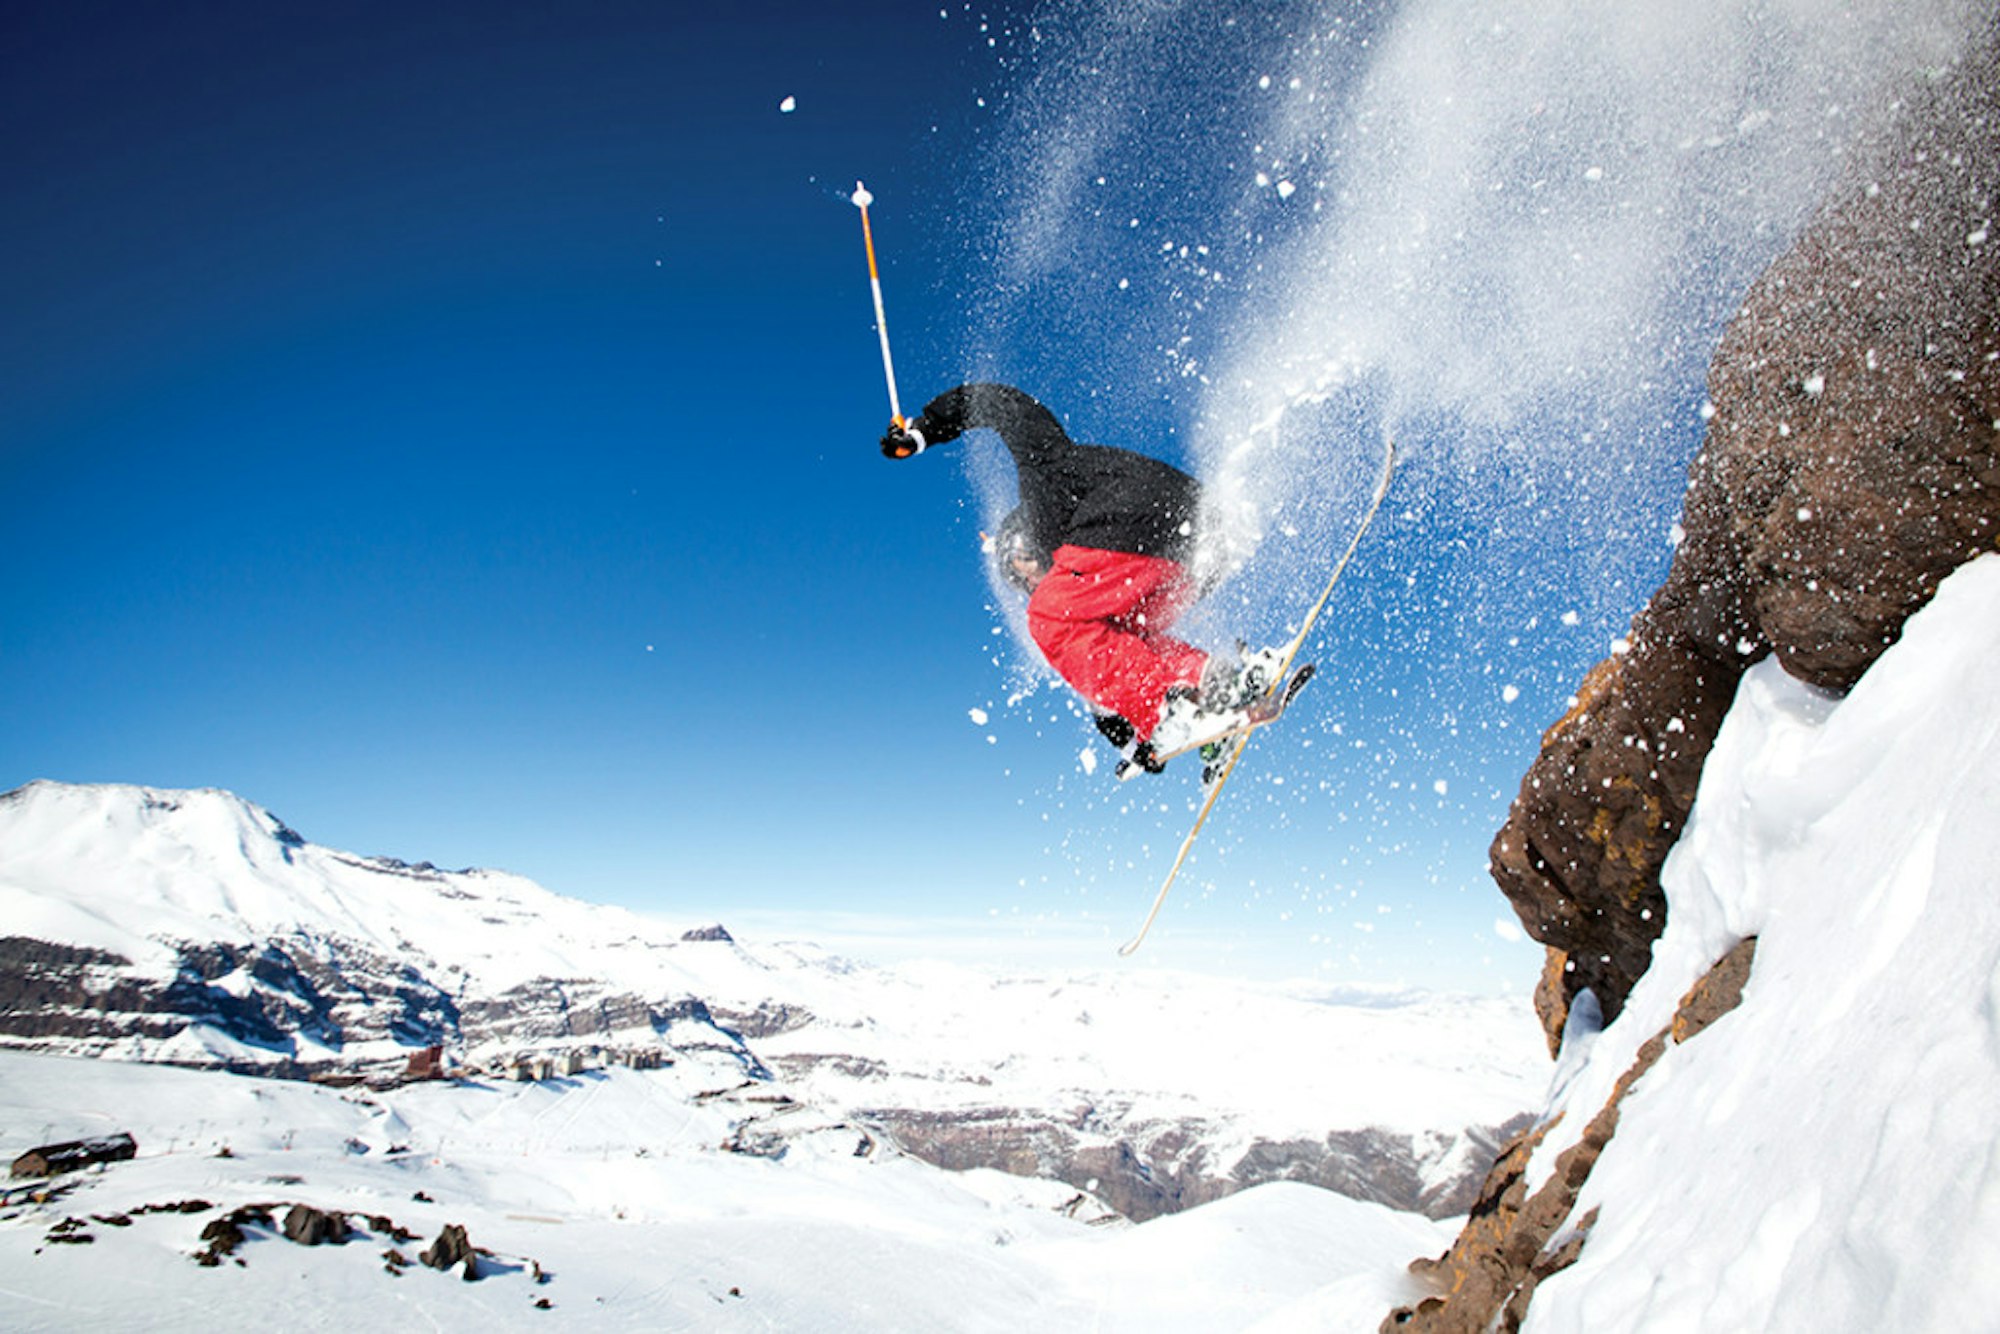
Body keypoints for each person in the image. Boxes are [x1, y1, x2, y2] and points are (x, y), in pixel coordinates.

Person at [882, 382, 1279, 773]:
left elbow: (1002, 403)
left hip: (1138, 524)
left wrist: (925, 429)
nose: (1028, 578)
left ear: (1022, 539)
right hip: (1198, 550)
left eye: (1020, 564)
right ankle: (1216, 687)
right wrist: (1129, 739)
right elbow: (1103, 663)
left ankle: (1168, 708)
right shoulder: (1087, 588)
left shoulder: (1046, 475)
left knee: (1048, 616)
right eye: (1018, 579)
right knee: (1120, 634)